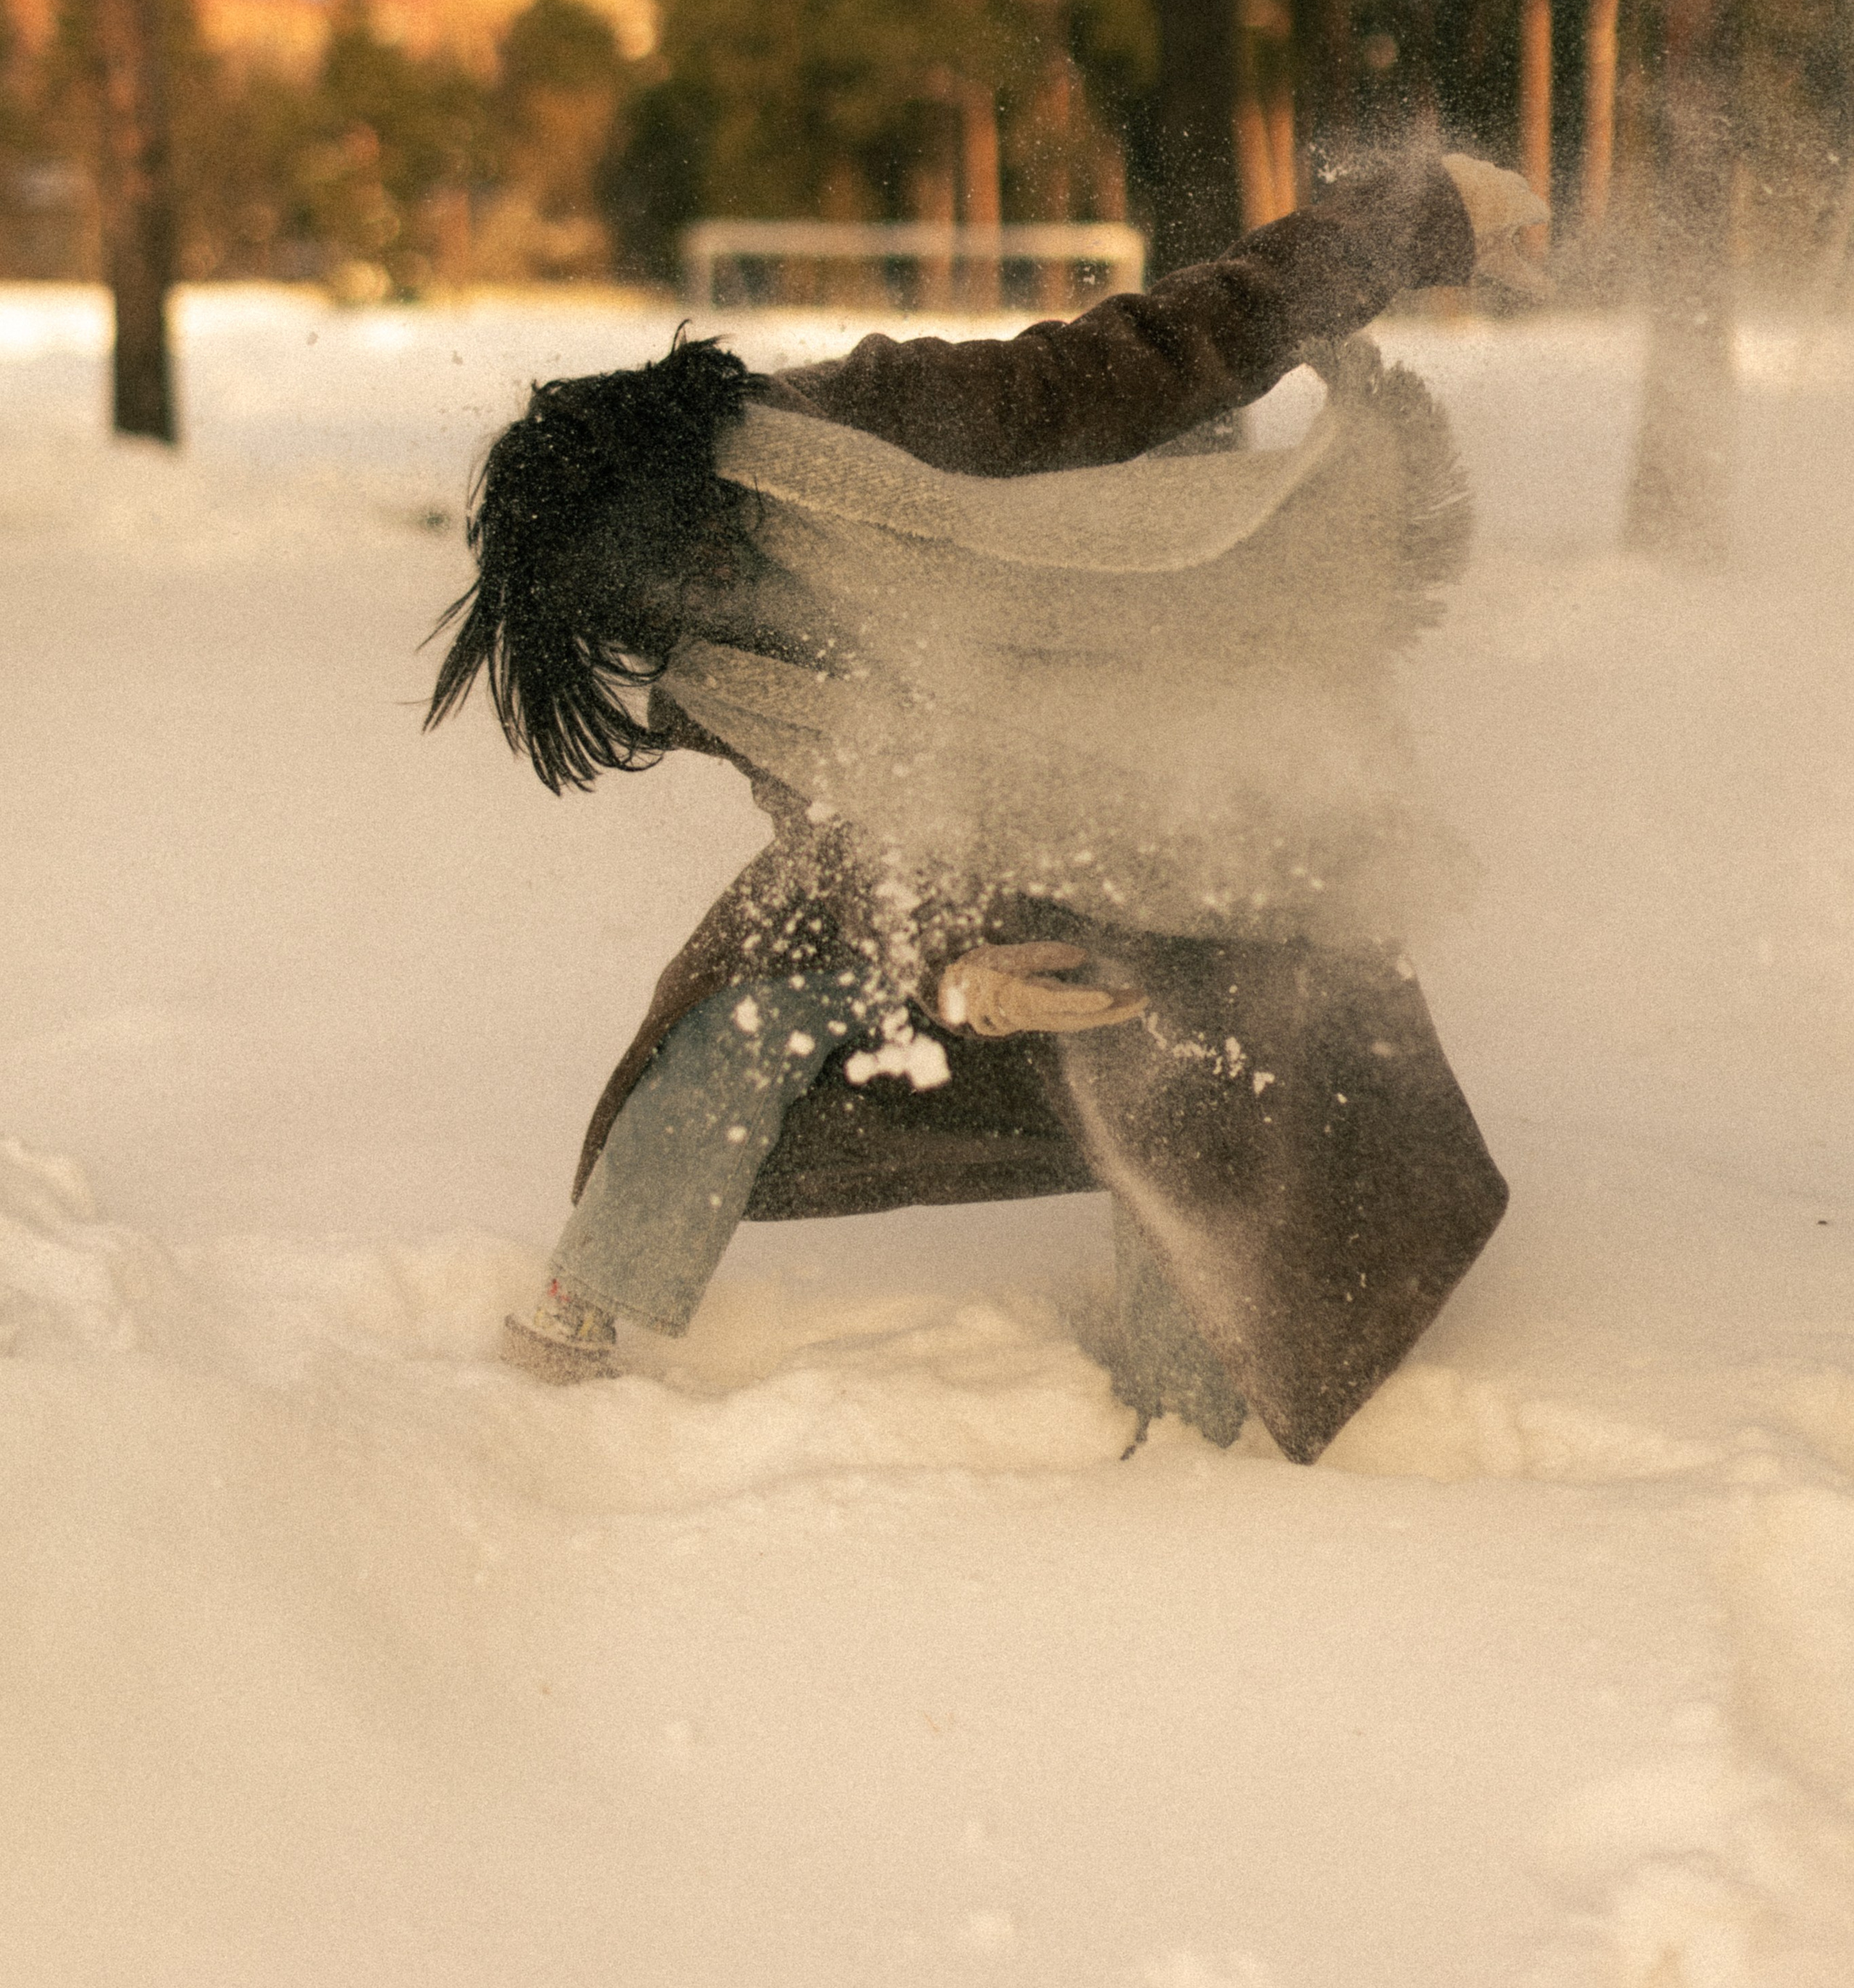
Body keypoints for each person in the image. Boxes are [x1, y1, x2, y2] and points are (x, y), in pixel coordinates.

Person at [427, 151, 1545, 1461]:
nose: (680, 624)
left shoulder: (883, 423)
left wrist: (1409, 215)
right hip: (964, 863)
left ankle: (1186, 1428)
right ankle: (575, 1335)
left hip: (1189, 755)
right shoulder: (696, 644)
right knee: (739, 1003)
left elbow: (1157, 348)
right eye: (642, 617)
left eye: (674, 578)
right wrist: (953, 970)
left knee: (1191, 1046)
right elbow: (840, 828)